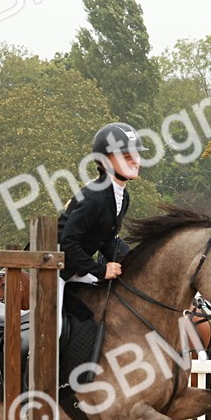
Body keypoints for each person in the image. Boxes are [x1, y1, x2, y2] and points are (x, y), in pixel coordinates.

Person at [56, 122, 146, 321]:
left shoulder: (123, 196)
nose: (135, 161)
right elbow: (67, 242)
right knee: (55, 328)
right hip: (52, 267)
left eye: (137, 155)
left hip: (76, 268)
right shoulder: (93, 197)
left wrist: (135, 262)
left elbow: (107, 240)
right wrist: (100, 270)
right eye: (127, 157)